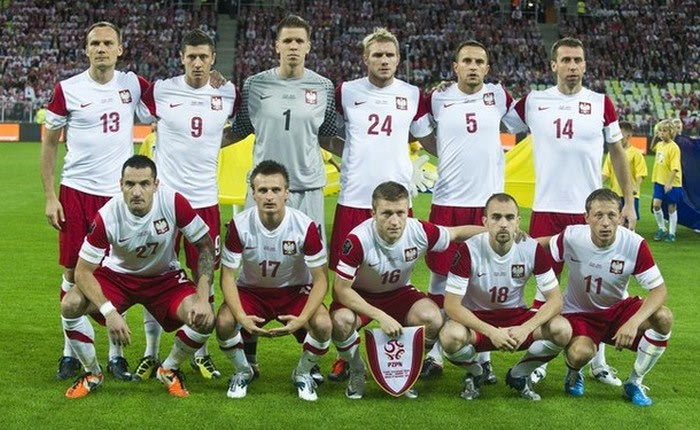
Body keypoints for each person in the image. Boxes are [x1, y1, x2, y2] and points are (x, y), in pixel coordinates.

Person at [505, 37, 635, 384]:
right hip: (547, 209)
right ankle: (541, 361)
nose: (572, 66)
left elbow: (618, 152)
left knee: (599, 289)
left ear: (585, 65)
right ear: (553, 65)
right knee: (544, 287)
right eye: (565, 60)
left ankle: (597, 363)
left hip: (589, 212)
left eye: (578, 60)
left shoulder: (601, 103)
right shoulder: (533, 101)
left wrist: (628, 202)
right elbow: (495, 118)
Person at [227, 15, 336, 376]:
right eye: (287, 41)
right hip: (264, 191)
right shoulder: (254, 84)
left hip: (307, 189)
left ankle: (309, 357)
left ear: (308, 46)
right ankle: (250, 353)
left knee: (309, 274)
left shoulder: (324, 87)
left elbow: (329, 136)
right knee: (252, 271)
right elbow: (240, 129)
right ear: (276, 46)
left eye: (299, 41)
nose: (293, 47)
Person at [40, 21, 149, 381]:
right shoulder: (68, 89)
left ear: (120, 49)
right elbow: (50, 144)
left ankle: (117, 355)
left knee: (116, 272)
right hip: (76, 192)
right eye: (95, 43)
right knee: (73, 272)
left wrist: (212, 79)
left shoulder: (132, 85)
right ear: (86, 49)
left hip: (118, 196)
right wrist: (50, 196)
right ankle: (69, 352)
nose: (101, 48)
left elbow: (171, 95)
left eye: (107, 43)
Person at [59, 155, 215, 398]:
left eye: (144, 184)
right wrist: (109, 312)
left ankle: (169, 368)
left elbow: (205, 246)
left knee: (205, 319)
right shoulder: (108, 215)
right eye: (130, 184)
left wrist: (203, 297)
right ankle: (92, 373)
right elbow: (82, 271)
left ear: (156, 185)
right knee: (69, 305)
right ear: (121, 184)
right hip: (118, 278)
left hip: (164, 279)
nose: (136, 192)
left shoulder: (173, 202)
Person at [327, 28, 432, 380]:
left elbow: (427, 138)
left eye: (389, 55)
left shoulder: (413, 94)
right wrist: (352, 155)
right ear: (365, 58)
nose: (384, 60)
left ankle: (401, 349)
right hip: (355, 198)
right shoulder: (345, 91)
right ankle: (346, 356)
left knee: (398, 271)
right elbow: (326, 133)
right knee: (346, 279)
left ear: (398, 59)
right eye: (377, 55)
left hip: (397, 202)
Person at [135, 29, 239, 381]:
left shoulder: (227, 92)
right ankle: (150, 352)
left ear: (213, 59)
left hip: (205, 200)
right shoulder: (162, 90)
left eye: (203, 57)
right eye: (191, 56)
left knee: (204, 279)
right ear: (182, 58)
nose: (197, 62)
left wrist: (214, 143)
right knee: (153, 275)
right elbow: (130, 98)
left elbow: (242, 125)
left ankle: (200, 353)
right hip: (165, 202)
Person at [418, 40, 519, 381]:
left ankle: (484, 357)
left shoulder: (499, 96)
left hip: (487, 206)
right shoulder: (437, 98)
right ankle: (435, 354)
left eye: (479, 61)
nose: (473, 66)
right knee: (440, 276)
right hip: (448, 201)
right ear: (455, 66)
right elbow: (422, 134)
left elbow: (520, 123)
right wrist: (446, 151)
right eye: (467, 61)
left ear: (487, 68)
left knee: (482, 281)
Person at [330, 181, 484, 399]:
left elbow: (457, 233)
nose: (394, 221)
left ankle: (406, 370)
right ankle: (356, 370)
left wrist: (494, 231)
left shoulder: (418, 230)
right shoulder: (358, 239)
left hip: (399, 292)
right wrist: (381, 316)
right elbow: (340, 290)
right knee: (340, 322)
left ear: (407, 211)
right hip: (361, 295)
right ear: (373, 213)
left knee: (432, 318)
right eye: (386, 213)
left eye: (400, 213)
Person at [544, 189, 673, 406]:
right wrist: (516, 240)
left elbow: (659, 290)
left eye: (612, 215)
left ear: (620, 217)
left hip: (618, 311)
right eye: (598, 215)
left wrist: (633, 323)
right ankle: (574, 372)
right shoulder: (572, 236)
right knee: (579, 354)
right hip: (580, 313)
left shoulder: (634, 244)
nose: (605, 223)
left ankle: (634, 382)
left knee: (664, 317)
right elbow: (544, 245)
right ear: (587, 218)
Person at [215, 161, 331, 401]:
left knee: (323, 324)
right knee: (224, 321)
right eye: (263, 190)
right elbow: (227, 276)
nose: (269, 196)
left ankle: (303, 373)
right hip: (252, 291)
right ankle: (243, 371)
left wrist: (302, 319)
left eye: (276, 190)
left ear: (287, 193)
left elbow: (321, 280)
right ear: (253, 193)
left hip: (294, 292)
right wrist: (240, 316)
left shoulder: (304, 226)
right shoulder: (239, 225)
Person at [439, 193, 571, 401]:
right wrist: (491, 332)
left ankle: (519, 374)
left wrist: (526, 328)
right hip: (478, 319)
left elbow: (555, 300)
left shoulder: (531, 248)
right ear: (485, 222)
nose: (503, 224)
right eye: (496, 217)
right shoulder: (469, 250)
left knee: (562, 330)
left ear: (518, 222)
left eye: (509, 218)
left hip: (516, 318)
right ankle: (477, 372)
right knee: (449, 336)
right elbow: (451, 305)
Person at [602, 121, 647, 220]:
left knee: (629, 220)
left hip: (630, 194)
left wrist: (636, 187)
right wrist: (597, 184)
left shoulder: (636, 153)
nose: (617, 138)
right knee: (615, 220)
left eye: (620, 135)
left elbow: (641, 173)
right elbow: (605, 173)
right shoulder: (612, 153)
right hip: (615, 194)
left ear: (628, 136)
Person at [651, 120, 683, 242]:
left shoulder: (674, 148)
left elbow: (675, 168)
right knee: (656, 205)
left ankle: (671, 233)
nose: (662, 133)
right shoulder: (660, 145)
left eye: (664, 131)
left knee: (671, 207)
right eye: (660, 131)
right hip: (659, 180)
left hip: (672, 183)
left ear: (671, 132)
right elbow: (652, 148)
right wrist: (655, 136)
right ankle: (662, 228)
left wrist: (669, 183)